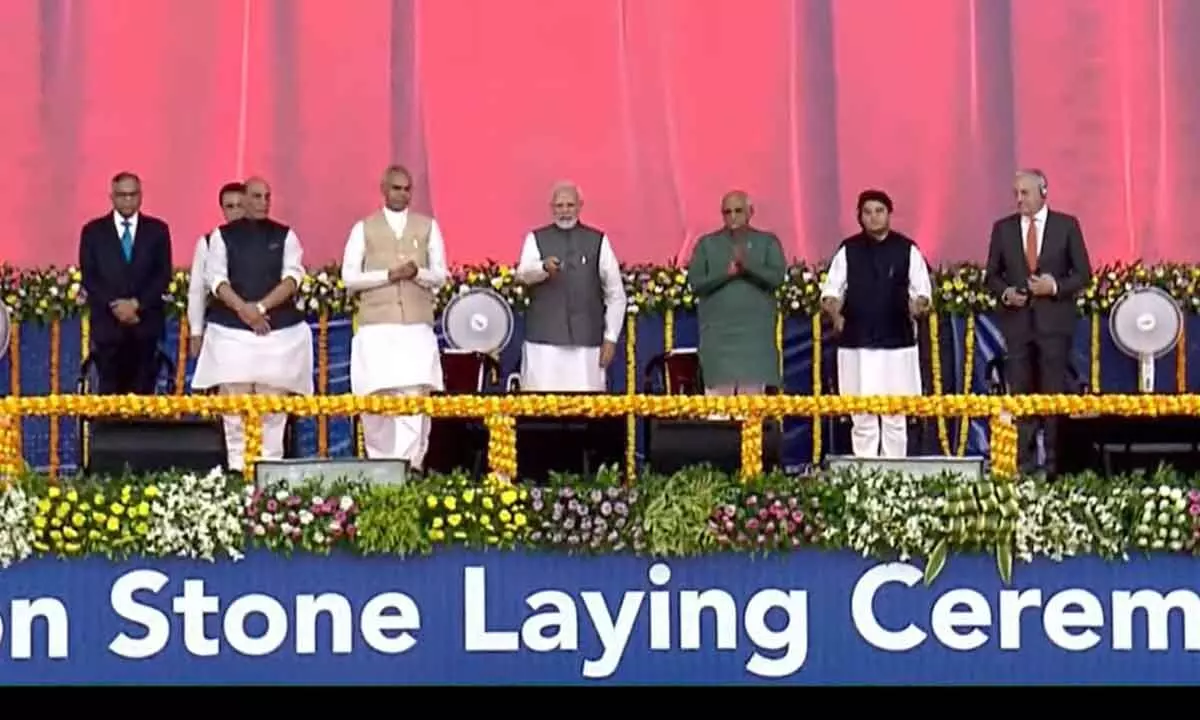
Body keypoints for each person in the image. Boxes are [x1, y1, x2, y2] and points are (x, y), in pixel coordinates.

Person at [191, 176, 314, 473]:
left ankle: (270, 468)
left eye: (267, 197)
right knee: (234, 407)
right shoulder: (221, 236)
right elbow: (215, 279)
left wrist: (260, 308)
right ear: (245, 200)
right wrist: (243, 310)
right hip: (232, 333)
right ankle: (237, 468)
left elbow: (292, 277)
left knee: (273, 410)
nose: (263, 203)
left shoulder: (286, 235)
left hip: (276, 332)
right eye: (256, 197)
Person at [984, 168, 1092, 477]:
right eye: (1016, 194)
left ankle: (1056, 469)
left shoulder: (1066, 226)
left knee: (1053, 398)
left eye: (1025, 193)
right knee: (1022, 397)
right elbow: (991, 275)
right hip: (1018, 327)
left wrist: (1053, 286)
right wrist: (1005, 293)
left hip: (1054, 327)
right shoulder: (1002, 229)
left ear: (1043, 192)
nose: (1019, 200)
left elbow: (1083, 274)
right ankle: (1025, 468)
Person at [341, 165, 448, 470]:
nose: (402, 194)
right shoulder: (364, 228)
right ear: (383, 189)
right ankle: (380, 466)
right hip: (376, 327)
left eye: (407, 188)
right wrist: (389, 275)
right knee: (376, 400)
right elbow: (350, 278)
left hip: (415, 327)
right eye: (396, 188)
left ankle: (409, 466)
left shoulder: (427, 226)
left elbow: (440, 275)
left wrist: (419, 273)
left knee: (414, 398)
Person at [820, 189, 933, 458]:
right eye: (867, 212)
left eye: (879, 211)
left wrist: (916, 306)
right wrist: (836, 315)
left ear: (889, 214)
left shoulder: (907, 249)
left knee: (895, 417)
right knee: (862, 417)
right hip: (856, 345)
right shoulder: (849, 250)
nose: (873, 217)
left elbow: (924, 294)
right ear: (859, 217)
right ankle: (865, 475)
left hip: (898, 344)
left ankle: (895, 475)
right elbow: (830, 293)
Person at [514, 182, 627, 392]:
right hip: (544, 344)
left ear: (579, 206)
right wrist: (543, 268)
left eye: (569, 205)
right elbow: (523, 275)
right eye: (559, 206)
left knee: (586, 412)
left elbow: (615, 295)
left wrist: (610, 338)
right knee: (540, 410)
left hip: (587, 345)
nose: (564, 211)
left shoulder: (597, 240)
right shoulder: (536, 238)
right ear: (551, 208)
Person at [78, 171, 173, 394]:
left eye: (133, 195)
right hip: (108, 329)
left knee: (143, 398)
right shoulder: (93, 232)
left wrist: (136, 305)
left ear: (141, 196)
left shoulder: (157, 230)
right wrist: (117, 306)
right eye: (122, 195)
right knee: (109, 398)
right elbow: (90, 276)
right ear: (112, 197)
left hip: (145, 326)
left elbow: (162, 275)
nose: (128, 200)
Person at [685, 191, 787, 395]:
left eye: (738, 211)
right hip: (719, 343)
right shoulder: (707, 244)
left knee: (751, 415)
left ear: (751, 212)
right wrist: (727, 273)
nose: (733, 216)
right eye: (727, 212)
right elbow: (695, 284)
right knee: (718, 416)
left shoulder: (767, 242)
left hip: (754, 345)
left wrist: (746, 266)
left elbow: (776, 278)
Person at [185, 182, 246, 360]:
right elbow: (197, 290)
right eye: (230, 206)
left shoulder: (270, 238)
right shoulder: (208, 242)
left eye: (240, 205)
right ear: (223, 210)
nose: (235, 211)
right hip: (222, 328)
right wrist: (196, 331)